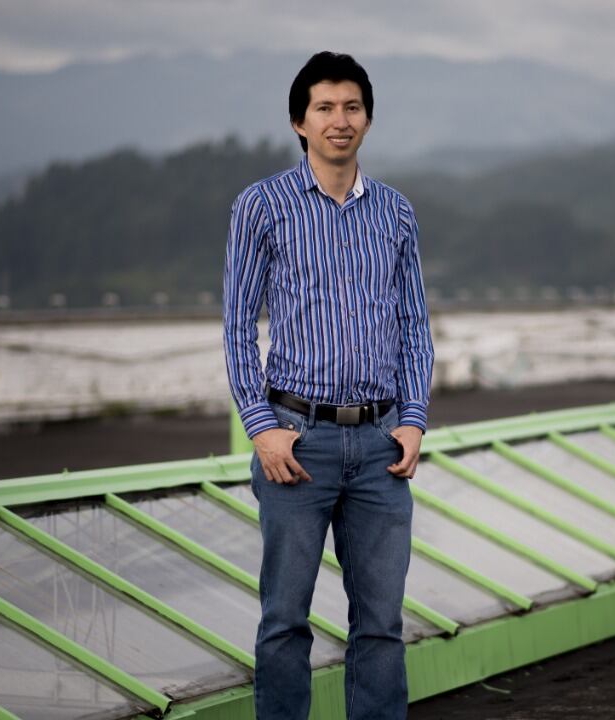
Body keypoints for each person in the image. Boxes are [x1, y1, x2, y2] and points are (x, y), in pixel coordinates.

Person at [223, 51, 434, 720]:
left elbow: (415, 328)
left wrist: (413, 419)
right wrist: (261, 428)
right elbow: (235, 329)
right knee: (284, 620)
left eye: (351, 107)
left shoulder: (396, 214)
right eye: (324, 107)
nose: (339, 120)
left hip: (380, 445)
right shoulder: (261, 207)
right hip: (298, 446)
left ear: (367, 119)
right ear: (299, 122)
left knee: (380, 625)